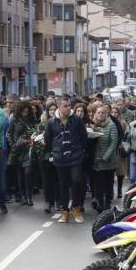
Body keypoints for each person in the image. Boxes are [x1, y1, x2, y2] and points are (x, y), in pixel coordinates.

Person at [44, 95, 87, 223]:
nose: (68, 108)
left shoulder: (77, 120)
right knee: (62, 185)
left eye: (69, 106)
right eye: (65, 106)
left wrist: (79, 150)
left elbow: (83, 137)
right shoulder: (51, 122)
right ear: (59, 106)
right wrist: (56, 151)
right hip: (60, 158)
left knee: (77, 181)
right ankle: (64, 212)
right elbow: (48, 140)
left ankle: (76, 208)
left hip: (75, 157)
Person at [6, 101, 35, 206]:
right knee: (20, 174)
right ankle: (23, 196)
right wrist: (13, 145)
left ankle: (29, 196)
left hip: (29, 149)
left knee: (28, 173)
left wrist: (33, 141)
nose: (25, 112)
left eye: (27, 110)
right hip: (18, 150)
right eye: (23, 111)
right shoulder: (14, 120)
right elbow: (8, 134)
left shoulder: (32, 119)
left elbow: (36, 131)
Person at [91, 105, 119, 212]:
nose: (100, 115)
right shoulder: (93, 125)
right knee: (97, 182)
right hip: (96, 158)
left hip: (108, 159)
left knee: (107, 182)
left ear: (107, 114)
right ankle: (99, 203)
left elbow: (114, 142)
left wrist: (106, 156)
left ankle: (107, 203)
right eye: (98, 113)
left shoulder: (111, 125)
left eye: (103, 113)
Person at [110, 105, 128, 198]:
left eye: (116, 112)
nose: (114, 114)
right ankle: (111, 190)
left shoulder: (122, 122)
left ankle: (119, 190)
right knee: (111, 172)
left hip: (120, 149)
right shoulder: (109, 122)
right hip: (111, 149)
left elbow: (126, 135)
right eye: (112, 112)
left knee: (120, 172)